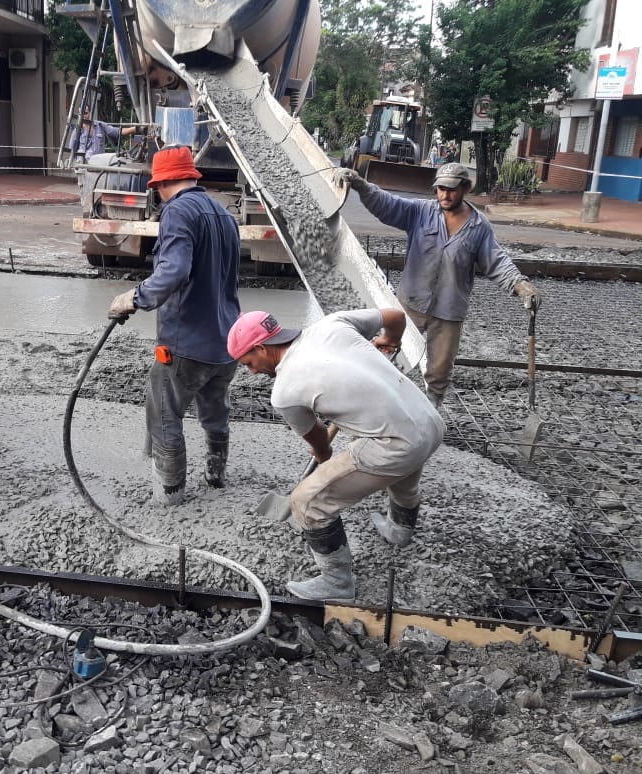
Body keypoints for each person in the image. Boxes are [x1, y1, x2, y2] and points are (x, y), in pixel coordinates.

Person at [227, 308, 444, 602]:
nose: (252, 371)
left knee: (307, 501)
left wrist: (321, 452)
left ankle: (337, 584)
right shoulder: (333, 324)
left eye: (248, 362)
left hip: (398, 443)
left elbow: (320, 442)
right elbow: (395, 316)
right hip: (429, 422)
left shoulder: (285, 390)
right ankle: (399, 530)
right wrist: (389, 342)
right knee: (402, 471)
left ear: (261, 348)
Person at [334, 162, 540, 407]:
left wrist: (520, 284)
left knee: (439, 370)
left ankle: (430, 412)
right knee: (385, 353)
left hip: (448, 311)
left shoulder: (478, 226)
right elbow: (387, 204)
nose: (445, 195)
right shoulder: (420, 212)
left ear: (466, 188)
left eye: (451, 189)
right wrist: (360, 184)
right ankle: (370, 405)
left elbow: (495, 261)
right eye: (440, 189)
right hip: (410, 304)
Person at [107, 145, 240, 504]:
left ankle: (170, 493)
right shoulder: (224, 214)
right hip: (229, 341)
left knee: (165, 412)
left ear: (162, 183)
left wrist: (134, 297)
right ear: (191, 176)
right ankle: (216, 476)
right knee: (216, 412)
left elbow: (174, 271)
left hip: (186, 344)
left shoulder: (178, 211)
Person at [74, 108, 140, 161]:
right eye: (81, 114)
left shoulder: (100, 125)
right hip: (83, 164)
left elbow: (117, 132)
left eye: (85, 113)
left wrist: (134, 129)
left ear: (90, 113)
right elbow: (72, 148)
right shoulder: (77, 130)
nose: (83, 116)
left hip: (99, 162)